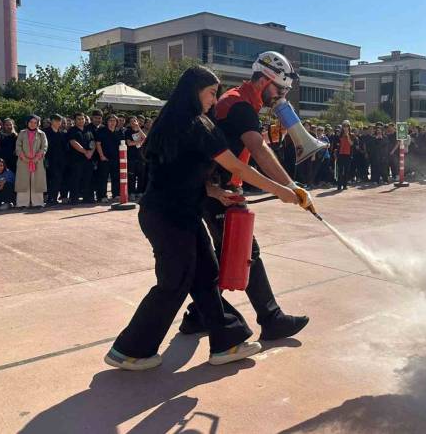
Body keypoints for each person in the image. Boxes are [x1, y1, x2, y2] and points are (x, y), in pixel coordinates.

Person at [105, 65, 302, 371]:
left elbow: (176, 169)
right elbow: (238, 167)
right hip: (170, 217)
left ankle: (228, 342)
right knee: (174, 283)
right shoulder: (198, 124)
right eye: (211, 92)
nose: (214, 99)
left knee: (206, 273)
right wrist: (283, 190)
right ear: (193, 91)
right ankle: (129, 350)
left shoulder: (169, 122)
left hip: (178, 212)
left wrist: (211, 190)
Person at [180, 51, 313, 341]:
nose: (280, 97)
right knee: (245, 252)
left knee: (226, 255)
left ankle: (196, 316)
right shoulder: (239, 104)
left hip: (220, 189)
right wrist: (291, 187)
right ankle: (271, 318)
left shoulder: (241, 101)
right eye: (280, 89)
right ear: (266, 81)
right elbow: (258, 149)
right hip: (219, 192)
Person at [15, 115, 48, 208]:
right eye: (31, 122)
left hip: (37, 161)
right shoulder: (22, 133)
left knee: (36, 181)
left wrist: (36, 158)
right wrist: (23, 157)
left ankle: (37, 203)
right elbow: (18, 146)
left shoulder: (42, 134)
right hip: (23, 161)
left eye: (35, 122)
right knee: (23, 181)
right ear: (27, 123)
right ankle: (22, 203)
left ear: (38, 123)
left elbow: (44, 147)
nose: (33, 124)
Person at [66, 112, 96, 204]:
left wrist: (91, 152)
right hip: (76, 160)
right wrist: (85, 152)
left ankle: (87, 198)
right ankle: (74, 198)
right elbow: (73, 142)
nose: (81, 120)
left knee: (88, 179)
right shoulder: (72, 130)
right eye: (79, 119)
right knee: (76, 179)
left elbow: (93, 142)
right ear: (75, 120)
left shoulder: (89, 130)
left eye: (82, 119)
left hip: (88, 159)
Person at [95, 114, 124, 202]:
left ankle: (115, 194)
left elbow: (122, 145)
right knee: (103, 178)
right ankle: (102, 196)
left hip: (116, 158)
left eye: (114, 121)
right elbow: (98, 144)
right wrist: (102, 156)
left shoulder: (119, 132)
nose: (112, 123)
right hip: (104, 158)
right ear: (107, 122)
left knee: (116, 177)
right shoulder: (101, 130)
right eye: (110, 121)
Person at [44, 114, 68, 205]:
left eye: (59, 121)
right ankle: (50, 198)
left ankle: (54, 198)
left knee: (58, 179)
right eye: (55, 120)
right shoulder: (45, 132)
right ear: (51, 121)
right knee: (50, 180)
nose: (58, 123)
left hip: (61, 161)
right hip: (49, 160)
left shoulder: (62, 133)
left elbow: (65, 148)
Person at [125, 117, 147, 200]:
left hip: (140, 157)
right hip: (131, 157)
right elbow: (129, 143)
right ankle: (132, 192)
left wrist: (138, 129)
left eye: (135, 121)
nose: (133, 122)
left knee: (141, 176)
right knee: (132, 176)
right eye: (131, 121)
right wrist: (139, 142)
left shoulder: (141, 130)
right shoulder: (128, 131)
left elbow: (145, 139)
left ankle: (139, 192)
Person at [334, 120, 354, 191]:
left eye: (347, 126)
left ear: (349, 127)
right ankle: (339, 185)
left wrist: (348, 136)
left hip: (348, 155)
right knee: (340, 170)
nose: (345, 127)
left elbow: (351, 144)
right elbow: (336, 145)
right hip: (340, 155)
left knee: (346, 170)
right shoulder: (339, 135)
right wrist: (335, 154)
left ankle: (345, 185)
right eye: (344, 126)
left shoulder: (352, 135)